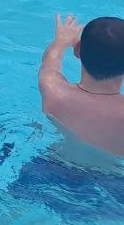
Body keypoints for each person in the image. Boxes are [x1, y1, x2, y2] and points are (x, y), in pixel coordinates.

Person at [35, 14, 124, 157]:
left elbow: (50, 60)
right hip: (108, 171)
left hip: (52, 162)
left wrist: (61, 41)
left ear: (78, 50)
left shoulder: (52, 89)